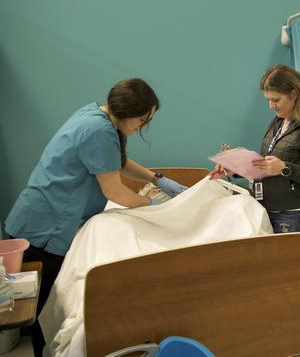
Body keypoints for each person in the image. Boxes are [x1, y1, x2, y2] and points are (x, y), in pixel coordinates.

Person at [3, 78, 187, 357]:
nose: (142, 127)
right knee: (44, 315)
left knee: (45, 311)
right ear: (128, 112)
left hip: (35, 216)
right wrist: (154, 206)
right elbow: (115, 190)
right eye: (142, 120)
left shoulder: (96, 115)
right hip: (43, 230)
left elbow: (116, 160)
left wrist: (158, 179)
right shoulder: (98, 131)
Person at [212, 65, 300, 233]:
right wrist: (235, 168)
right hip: (270, 210)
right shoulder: (280, 121)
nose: (271, 105)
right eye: (268, 100)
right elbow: (269, 165)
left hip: (298, 216)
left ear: (294, 94)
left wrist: (285, 168)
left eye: (276, 100)